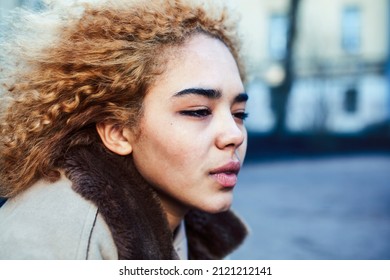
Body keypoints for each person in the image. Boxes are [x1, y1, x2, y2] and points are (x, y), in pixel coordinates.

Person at [0, 0, 248, 259]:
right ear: (118, 132)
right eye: (198, 111)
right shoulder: (57, 235)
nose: (235, 135)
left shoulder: (187, 226)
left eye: (239, 114)